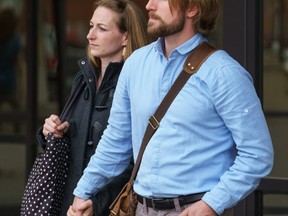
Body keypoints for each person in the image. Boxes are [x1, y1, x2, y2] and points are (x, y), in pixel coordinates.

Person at [72, 0, 274, 216]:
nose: (149, 5)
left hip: (192, 210)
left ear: (192, 8)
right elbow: (115, 140)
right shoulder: (135, 64)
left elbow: (256, 154)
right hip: (138, 208)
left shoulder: (224, 73)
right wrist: (83, 191)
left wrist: (212, 204)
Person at [37, 0, 150, 215]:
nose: (90, 35)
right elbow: (70, 137)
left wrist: (97, 204)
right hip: (69, 204)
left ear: (125, 37)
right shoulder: (84, 78)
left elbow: (136, 161)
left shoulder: (135, 85)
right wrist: (50, 130)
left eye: (102, 28)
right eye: (91, 26)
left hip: (107, 208)